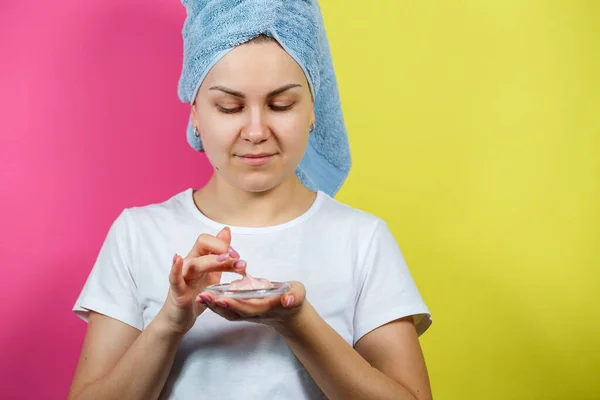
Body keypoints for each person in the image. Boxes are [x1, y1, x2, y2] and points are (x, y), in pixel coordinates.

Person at [68, 1, 433, 399]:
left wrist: (297, 322)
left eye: (281, 105)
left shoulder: (362, 240)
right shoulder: (137, 234)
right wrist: (170, 322)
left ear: (314, 108)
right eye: (230, 107)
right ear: (195, 113)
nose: (256, 130)